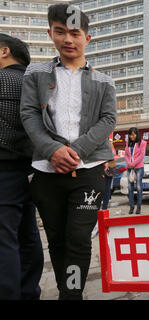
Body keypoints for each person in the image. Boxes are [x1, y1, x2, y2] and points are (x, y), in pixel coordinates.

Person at [20, 4, 117, 300]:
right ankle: (66, 290)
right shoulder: (35, 73)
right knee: (58, 240)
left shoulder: (104, 81)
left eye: (75, 33)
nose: (68, 40)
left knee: (78, 238)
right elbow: (28, 114)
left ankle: (71, 295)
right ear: (50, 33)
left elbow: (108, 119)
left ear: (87, 38)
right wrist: (52, 151)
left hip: (89, 171)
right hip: (46, 172)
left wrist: (73, 150)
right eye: (60, 32)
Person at [0, 34, 44, 300]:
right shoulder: (36, 82)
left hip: (3, 169)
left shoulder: (2, 79)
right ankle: (29, 292)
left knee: (3, 240)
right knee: (28, 235)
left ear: (4, 51)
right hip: (30, 170)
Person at [125, 127, 147, 215]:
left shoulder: (142, 143)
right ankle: (131, 207)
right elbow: (126, 155)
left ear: (137, 134)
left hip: (139, 168)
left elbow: (142, 155)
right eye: (130, 135)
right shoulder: (128, 143)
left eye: (133, 134)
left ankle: (138, 207)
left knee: (138, 187)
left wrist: (133, 163)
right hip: (129, 168)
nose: (132, 136)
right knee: (130, 188)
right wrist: (129, 163)